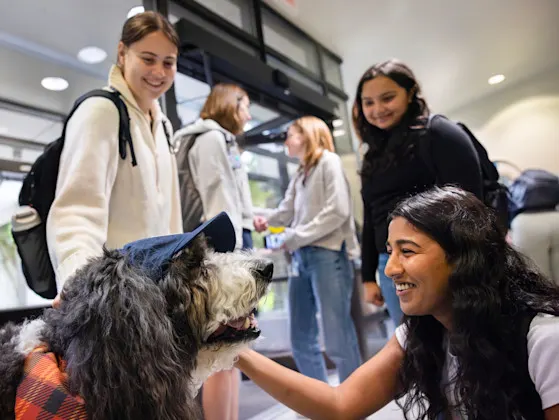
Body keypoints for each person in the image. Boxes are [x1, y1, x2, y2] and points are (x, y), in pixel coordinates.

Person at [237, 186, 559, 420]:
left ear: (463, 258)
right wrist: (236, 350)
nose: (390, 269)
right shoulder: (423, 333)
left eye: (407, 251)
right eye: (389, 251)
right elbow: (339, 405)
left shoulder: (544, 341)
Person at [47, 12, 182, 293]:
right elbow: (76, 213)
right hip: (113, 302)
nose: (159, 72)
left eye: (168, 63)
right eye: (148, 59)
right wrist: (80, 289)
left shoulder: (164, 127)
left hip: (157, 296)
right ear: (122, 53)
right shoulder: (101, 110)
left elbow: (172, 223)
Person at [353, 59, 483, 326]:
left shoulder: (438, 132)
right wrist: (368, 277)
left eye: (387, 98)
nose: (378, 109)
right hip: (388, 262)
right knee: (410, 349)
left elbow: (471, 207)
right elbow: (372, 217)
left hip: (437, 261)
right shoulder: (371, 153)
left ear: (410, 93)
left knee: (455, 342)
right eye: (368, 103)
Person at [253, 116, 362, 383]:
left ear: (308, 135)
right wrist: (265, 219)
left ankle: (355, 404)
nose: (286, 141)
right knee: (301, 337)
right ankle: (321, 402)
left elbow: (338, 211)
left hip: (329, 255)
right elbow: (286, 210)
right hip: (301, 257)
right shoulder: (301, 172)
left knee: (337, 337)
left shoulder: (329, 162)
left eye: (290, 134)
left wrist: (294, 236)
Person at [173, 83, 254, 420]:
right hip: (222, 250)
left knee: (234, 349)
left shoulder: (219, 138)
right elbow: (217, 198)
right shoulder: (209, 138)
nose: (248, 115)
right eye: (245, 105)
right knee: (222, 350)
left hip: (229, 246)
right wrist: (231, 258)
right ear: (229, 104)